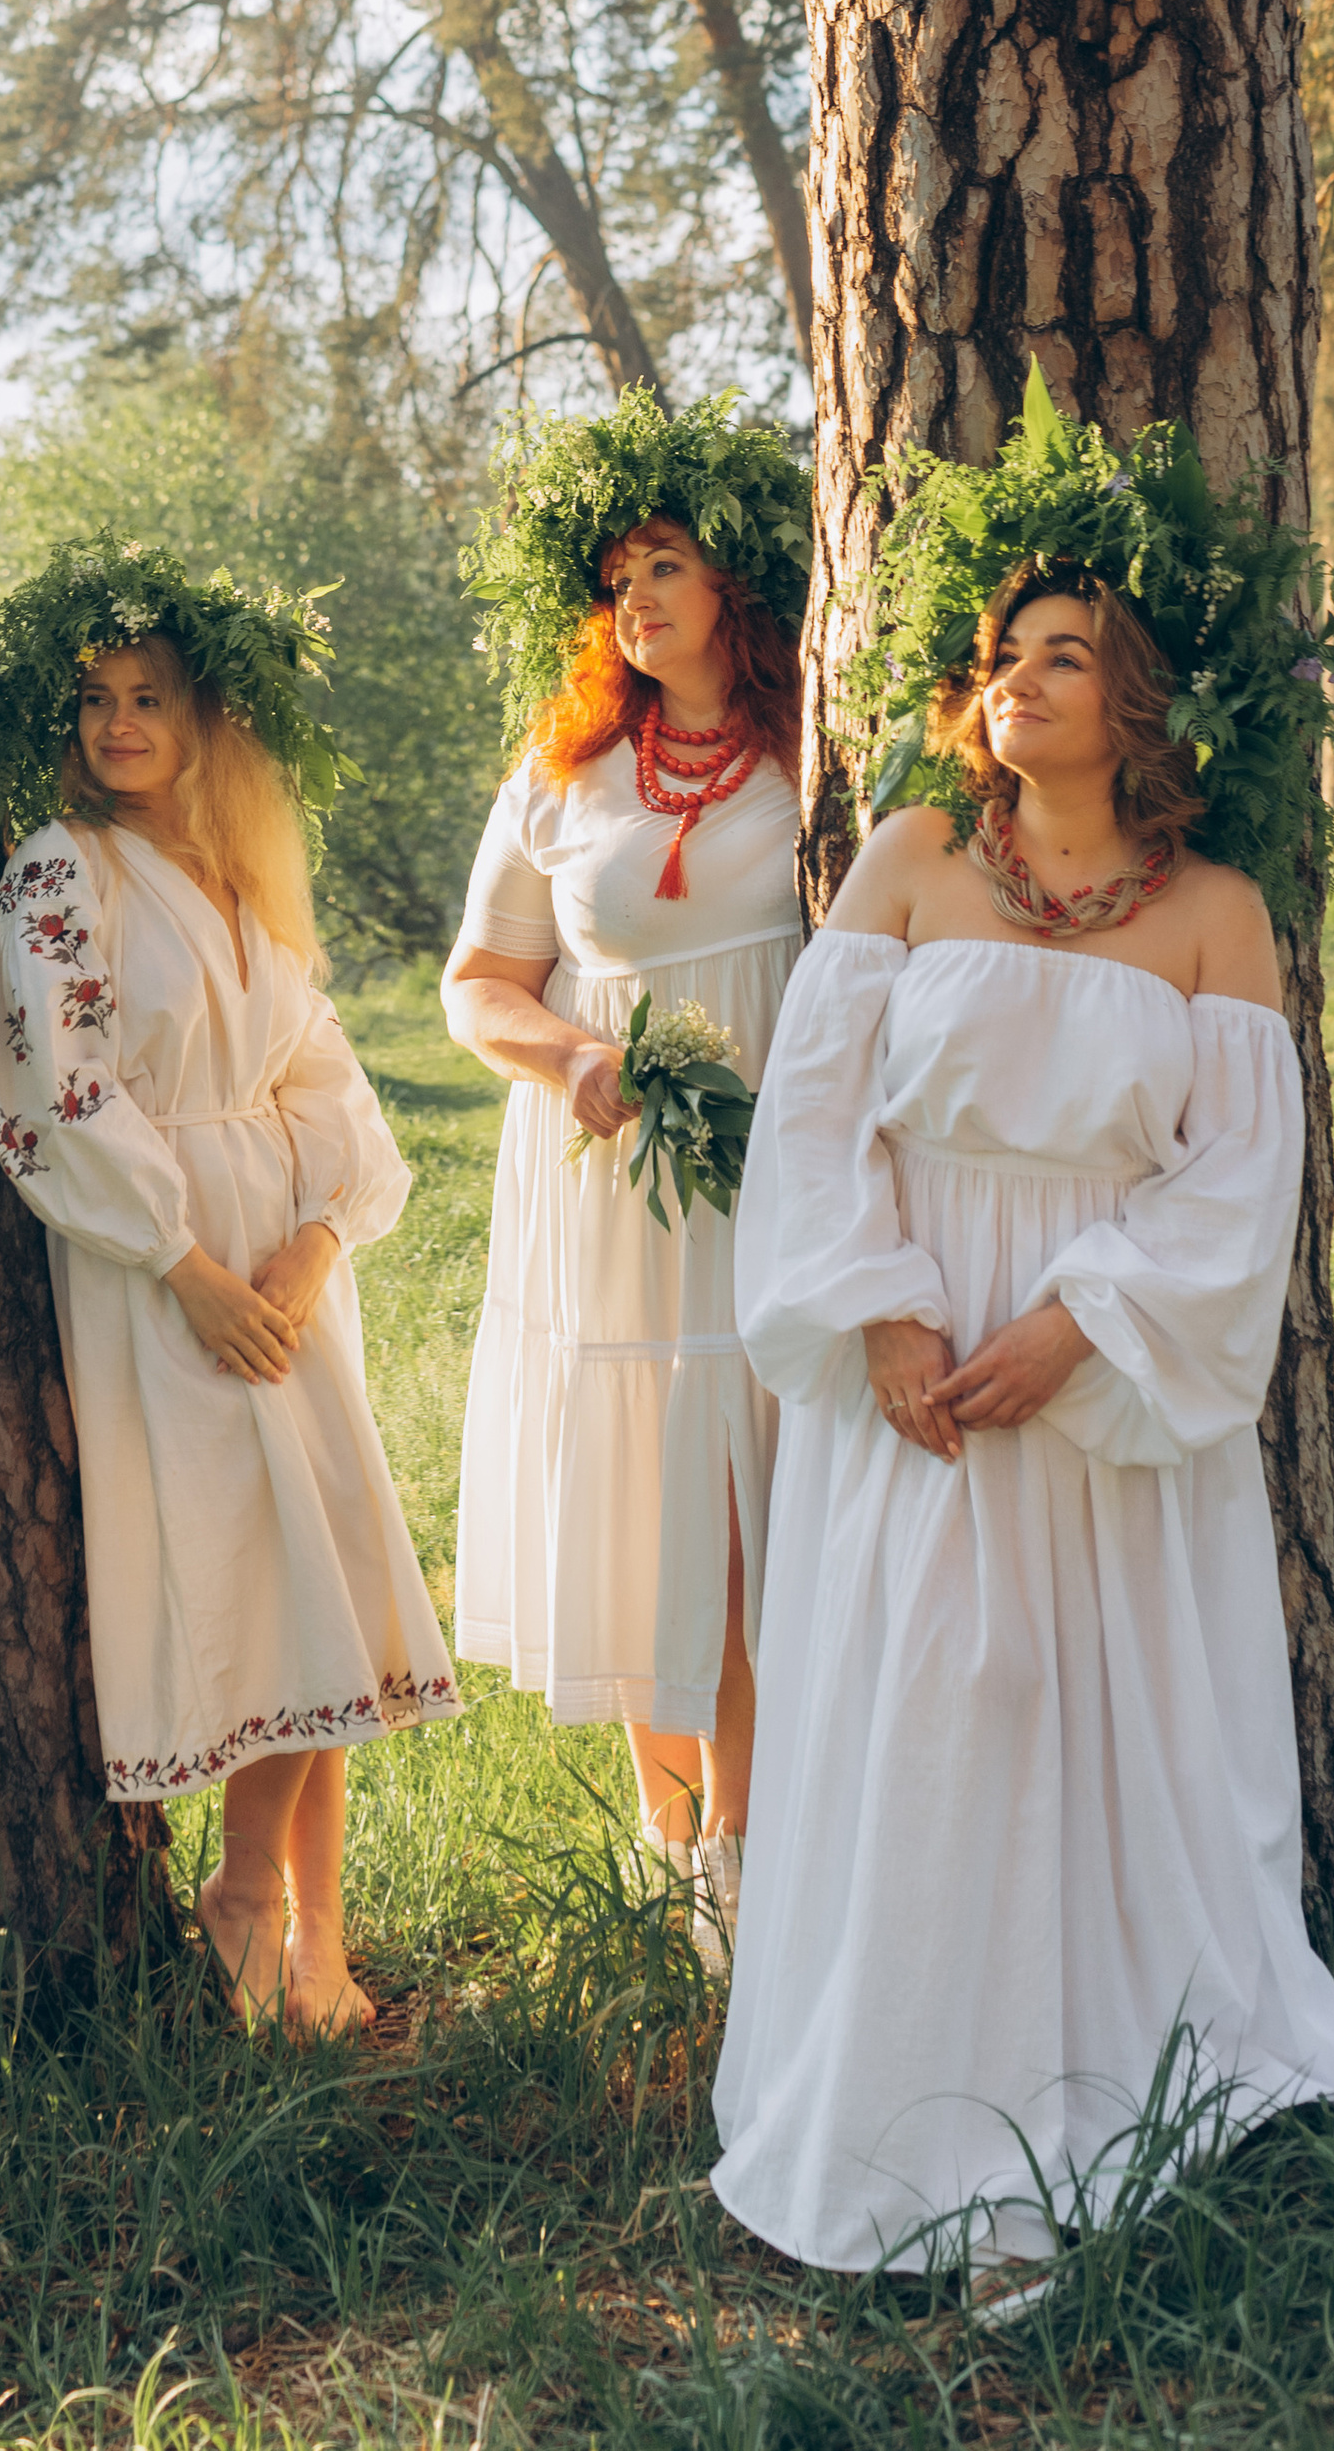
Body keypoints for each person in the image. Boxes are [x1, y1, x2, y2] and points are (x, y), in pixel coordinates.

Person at [713, 382, 1334, 2277]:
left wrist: (1081, 1324)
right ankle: (919, 2110)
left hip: (1101, 1386)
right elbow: (814, 1116)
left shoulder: (1213, 912)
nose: (1019, 680)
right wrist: (880, 1312)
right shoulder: (906, 863)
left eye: (1066, 654)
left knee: (1089, 1718)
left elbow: (1236, 1185)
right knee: (943, 1706)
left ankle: (1099, 2084)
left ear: (1137, 699)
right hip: (920, 1367)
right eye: (1001, 655)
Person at [0, 539, 459, 2035]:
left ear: (203, 720)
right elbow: (54, 1081)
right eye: (98, 698)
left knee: (335, 1589)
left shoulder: (239, 875)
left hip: (284, 1271)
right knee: (261, 1592)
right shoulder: (65, 868)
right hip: (160, 1268)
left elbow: (326, 1079)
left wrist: (315, 1243)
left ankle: (316, 1945)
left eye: (151, 697)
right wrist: (184, 1265)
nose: (120, 724)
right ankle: (243, 1896)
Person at [443, 388, 812, 1958]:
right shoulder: (563, 764)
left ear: (737, 581)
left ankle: (760, 1830)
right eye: (617, 578)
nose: (638, 599)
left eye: (664, 562)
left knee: (755, 1498)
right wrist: (577, 1060)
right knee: (650, 1497)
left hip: (780, 1166)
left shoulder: (821, 745)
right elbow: (477, 981)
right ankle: (678, 1842)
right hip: (615, 1190)